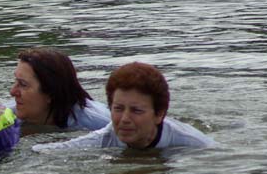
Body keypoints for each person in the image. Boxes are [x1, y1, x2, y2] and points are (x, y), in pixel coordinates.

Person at [33, 62, 215, 151]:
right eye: (118, 109)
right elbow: (53, 151)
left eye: (136, 110)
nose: (125, 119)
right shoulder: (105, 137)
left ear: (159, 114)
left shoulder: (193, 143)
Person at [8, 47, 109, 131]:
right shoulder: (4, 115)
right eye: (16, 81)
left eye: (23, 84)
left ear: (51, 93)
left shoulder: (100, 125)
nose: (12, 92)